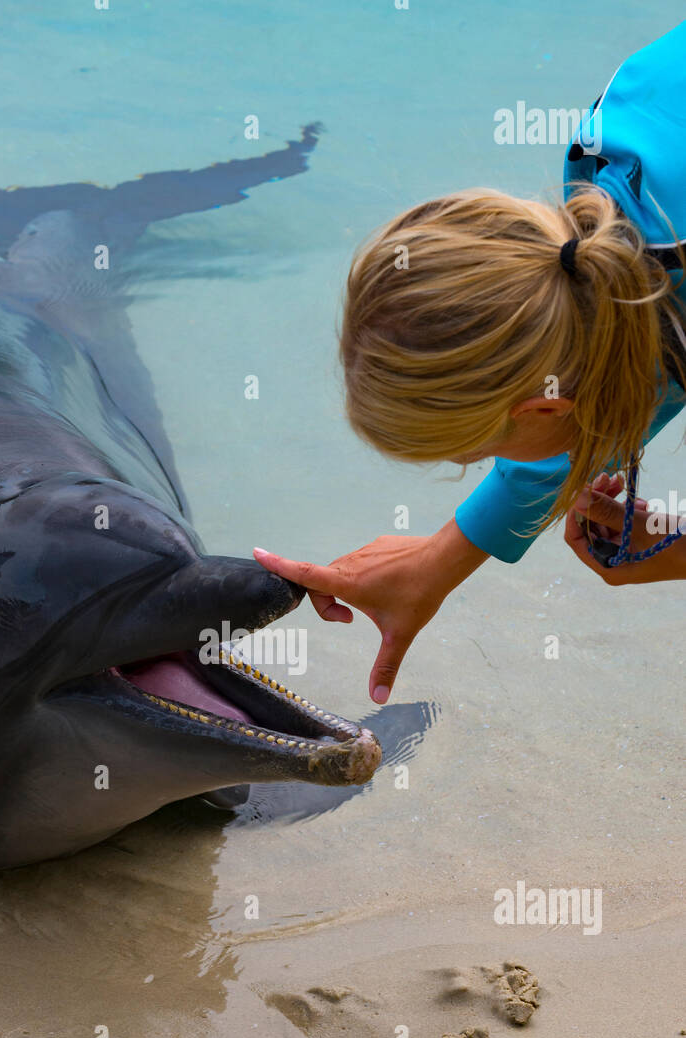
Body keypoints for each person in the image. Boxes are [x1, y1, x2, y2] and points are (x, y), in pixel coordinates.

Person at [254, 20, 686, 705]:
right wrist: (441, 559)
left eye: (473, 452)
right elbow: (618, 342)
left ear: (543, 408)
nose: (479, 465)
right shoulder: (591, 195)